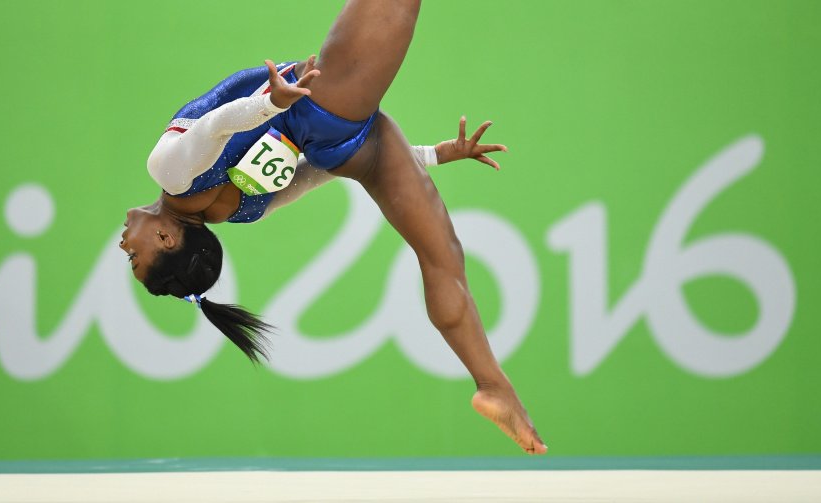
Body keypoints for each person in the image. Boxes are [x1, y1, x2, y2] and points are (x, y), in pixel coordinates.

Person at [121, 0, 547, 454]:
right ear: (167, 238)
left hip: (346, 143)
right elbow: (212, 129)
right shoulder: (170, 174)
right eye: (134, 255)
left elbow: (316, 171)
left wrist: (427, 156)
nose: (124, 243)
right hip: (319, 102)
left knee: (441, 257)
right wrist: (271, 102)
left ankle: (494, 387)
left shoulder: (243, 212)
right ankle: (491, 385)